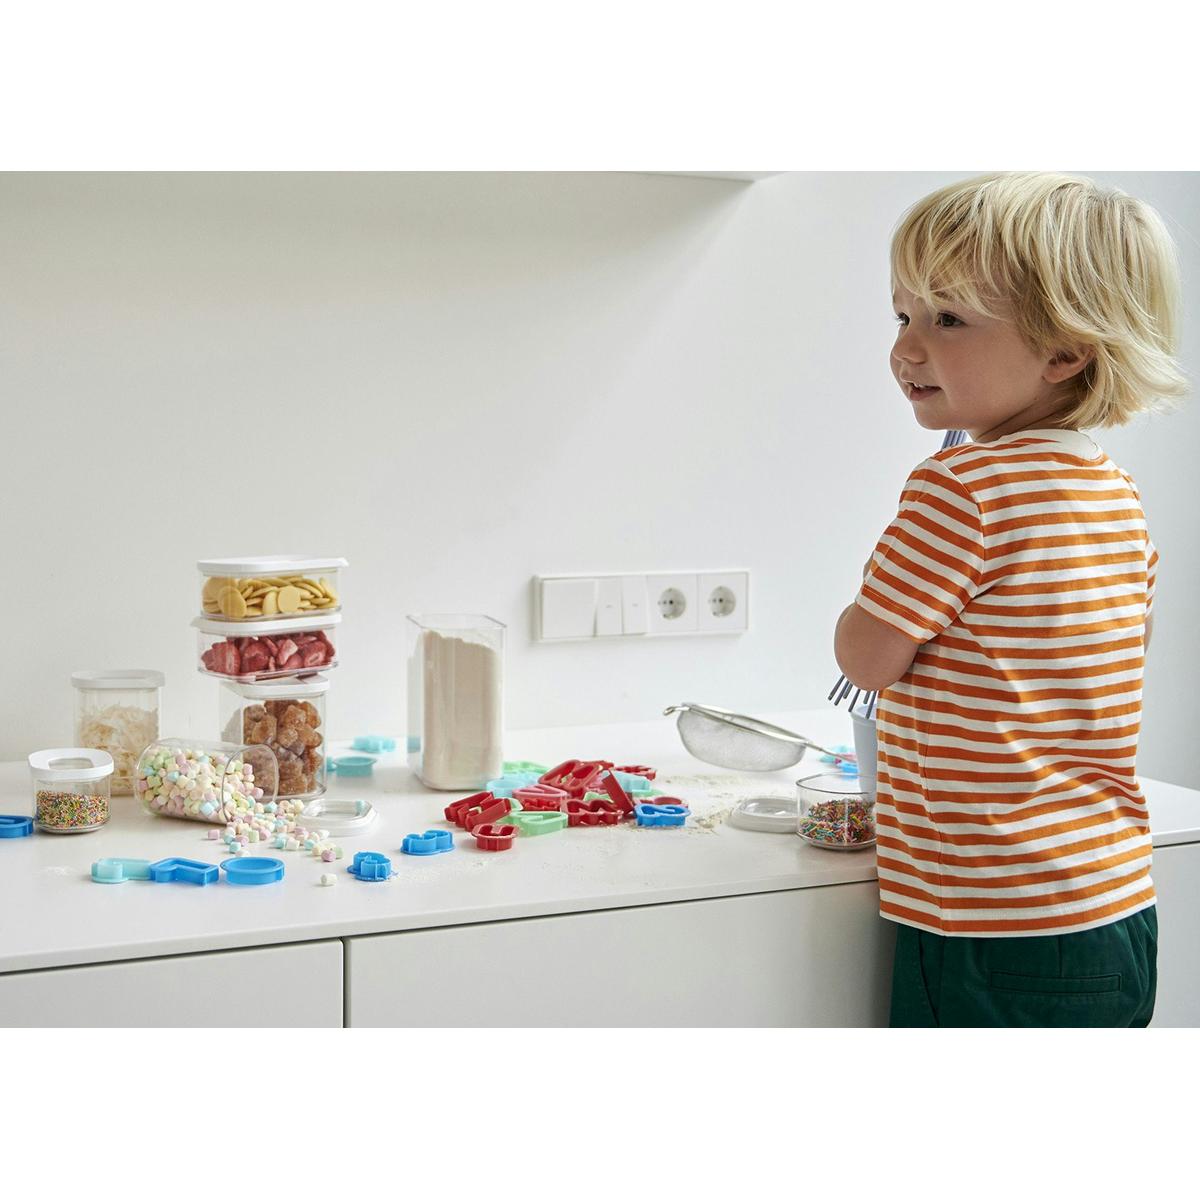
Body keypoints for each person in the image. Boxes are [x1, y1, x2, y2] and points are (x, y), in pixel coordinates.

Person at [833, 172, 1187, 1026]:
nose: (907, 348)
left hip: (986, 915)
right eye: (903, 316)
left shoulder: (962, 487)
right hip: (1111, 902)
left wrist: (866, 601)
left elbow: (867, 659)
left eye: (948, 319)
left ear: (1064, 351)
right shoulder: (1114, 494)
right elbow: (1111, 658)